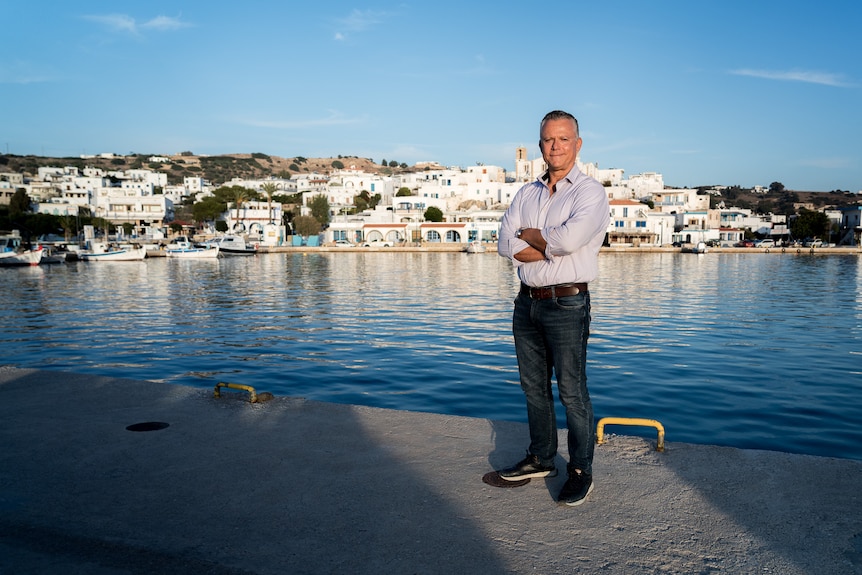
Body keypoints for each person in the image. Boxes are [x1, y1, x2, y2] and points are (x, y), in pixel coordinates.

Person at [496, 110, 610, 506]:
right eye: (548, 139)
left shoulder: (590, 192)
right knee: (533, 388)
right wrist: (541, 242)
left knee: (572, 392)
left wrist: (534, 237)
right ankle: (542, 457)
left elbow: (569, 240)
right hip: (526, 303)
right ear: (540, 145)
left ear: (577, 144)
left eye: (563, 139)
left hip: (567, 303)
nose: (555, 146)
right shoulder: (526, 193)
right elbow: (504, 243)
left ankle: (581, 470)